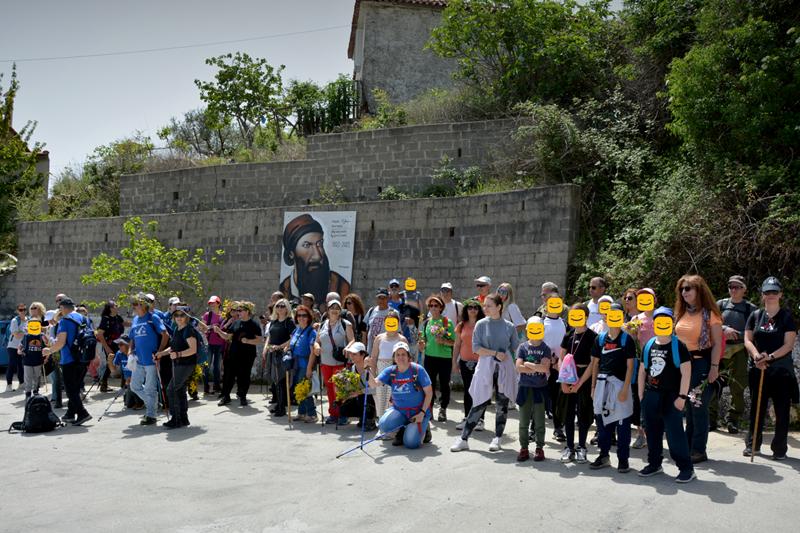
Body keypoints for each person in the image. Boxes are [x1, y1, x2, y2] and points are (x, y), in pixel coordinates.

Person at [451, 294, 519, 453]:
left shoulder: (509, 326)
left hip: (504, 367)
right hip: (485, 366)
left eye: (488, 305)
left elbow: (516, 348)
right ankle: (463, 439)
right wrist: (495, 353)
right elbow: (477, 348)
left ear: (499, 307)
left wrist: (531, 359)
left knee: (502, 404)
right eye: (485, 305)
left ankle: (498, 438)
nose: (485, 308)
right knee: (479, 402)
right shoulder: (481, 325)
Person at [637, 307, 696, 483]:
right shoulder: (649, 345)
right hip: (651, 395)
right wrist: (642, 395)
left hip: (672, 397)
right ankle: (655, 464)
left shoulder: (679, 346)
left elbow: (686, 373)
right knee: (652, 432)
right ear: (654, 323)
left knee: (675, 434)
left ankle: (686, 468)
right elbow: (642, 371)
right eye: (659, 321)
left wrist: (682, 397)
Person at [743, 277, 798, 460]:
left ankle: (779, 449)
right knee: (756, 408)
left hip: (780, 371)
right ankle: (753, 445)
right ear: (763, 295)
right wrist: (757, 356)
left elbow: (788, 345)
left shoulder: (787, 318)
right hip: (757, 369)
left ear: (781, 294)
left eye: (775, 292)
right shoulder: (755, 315)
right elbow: (748, 340)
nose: (771, 295)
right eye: (767, 292)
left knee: (782, 411)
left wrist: (770, 357)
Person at [674, 275, 723, 464]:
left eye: (688, 288)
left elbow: (717, 344)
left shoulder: (711, 314)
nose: (684, 292)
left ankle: (698, 449)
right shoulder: (680, 312)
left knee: (698, 406)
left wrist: (714, 367)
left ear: (698, 290)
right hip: (682, 365)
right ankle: (688, 446)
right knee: (688, 405)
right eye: (682, 289)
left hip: (701, 362)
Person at [589, 302, 635, 473]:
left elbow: (630, 366)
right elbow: (595, 364)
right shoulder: (599, 338)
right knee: (602, 421)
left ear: (622, 317)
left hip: (620, 385)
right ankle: (604, 455)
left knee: (622, 422)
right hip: (602, 384)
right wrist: (593, 387)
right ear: (605, 317)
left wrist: (625, 389)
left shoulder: (627, 339)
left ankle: (623, 458)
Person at [710, 276, 757, 434]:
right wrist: (724, 329)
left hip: (740, 350)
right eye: (731, 287)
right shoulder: (720, 304)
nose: (734, 290)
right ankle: (711, 419)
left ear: (744, 289)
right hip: (719, 349)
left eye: (738, 287)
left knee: (738, 385)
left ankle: (732, 421)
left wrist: (737, 334)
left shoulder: (751, 309)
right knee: (713, 382)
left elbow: (755, 332)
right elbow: (710, 323)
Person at [370, 342, 433, 449]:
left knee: (411, 444)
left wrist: (422, 413)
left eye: (403, 354)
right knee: (384, 425)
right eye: (397, 354)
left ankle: (425, 427)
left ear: (408, 356)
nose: (400, 357)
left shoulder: (418, 370)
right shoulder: (391, 371)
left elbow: (429, 393)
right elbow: (373, 384)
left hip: (418, 411)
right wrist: (367, 369)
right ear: (394, 357)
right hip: (399, 410)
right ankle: (403, 429)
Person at [556, 303, 597, 464]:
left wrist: (580, 383)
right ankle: (569, 447)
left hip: (584, 377)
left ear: (586, 317)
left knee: (583, 412)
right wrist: (563, 381)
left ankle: (582, 447)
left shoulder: (593, 336)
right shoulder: (568, 335)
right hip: (568, 376)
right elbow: (561, 358)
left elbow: (594, 363)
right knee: (567, 413)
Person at [279, 213, 350, 303]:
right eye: (306, 245)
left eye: (319, 244)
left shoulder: (341, 285)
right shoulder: (284, 289)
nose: (317, 256)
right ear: (291, 254)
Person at [45, 298, 93, 426]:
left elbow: (60, 342)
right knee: (76, 387)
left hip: (69, 359)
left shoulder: (64, 321)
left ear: (63, 308)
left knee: (70, 389)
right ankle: (70, 414)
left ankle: (82, 413)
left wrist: (48, 351)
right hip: (83, 358)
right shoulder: (84, 319)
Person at [128, 293, 170, 426]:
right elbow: (132, 338)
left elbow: (165, 335)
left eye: (136, 303)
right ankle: (154, 404)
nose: (133, 306)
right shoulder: (135, 319)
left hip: (151, 360)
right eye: (133, 303)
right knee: (134, 386)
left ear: (144, 304)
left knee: (150, 389)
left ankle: (151, 415)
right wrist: (130, 350)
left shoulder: (153, 318)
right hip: (139, 360)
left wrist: (159, 353)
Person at [516, 317, 553, 462]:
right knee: (523, 421)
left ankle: (539, 448)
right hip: (525, 388)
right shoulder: (522, 347)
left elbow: (545, 368)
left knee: (539, 421)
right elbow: (519, 368)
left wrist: (527, 363)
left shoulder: (545, 348)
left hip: (540, 388)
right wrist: (536, 365)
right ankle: (524, 448)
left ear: (543, 330)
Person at [155, 305, 199, 427]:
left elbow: (193, 349)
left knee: (171, 389)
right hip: (178, 364)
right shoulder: (176, 330)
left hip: (186, 364)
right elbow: (173, 347)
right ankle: (183, 418)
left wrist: (178, 354)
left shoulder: (189, 330)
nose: (179, 317)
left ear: (187, 317)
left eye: (182, 315)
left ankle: (176, 419)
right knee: (179, 390)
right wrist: (161, 353)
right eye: (177, 315)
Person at [313, 299, 355, 424]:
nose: (335, 310)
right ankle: (333, 413)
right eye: (332, 308)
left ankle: (344, 414)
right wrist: (317, 347)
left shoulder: (345, 324)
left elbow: (352, 340)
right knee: (330, 388)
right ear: (328, 310)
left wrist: (348, 347)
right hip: (325, 361)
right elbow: (317, 341)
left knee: (340, 388)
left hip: (340, 361)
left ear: (340, 310)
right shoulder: (322, 324)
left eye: (337, 308)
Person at [214, 302, 262, 407]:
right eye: (237, 310)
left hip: (247, 355)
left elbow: (259, 339)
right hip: (234, 353)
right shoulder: (235, 323)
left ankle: (243, 396)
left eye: (240, 310)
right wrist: (219, 331)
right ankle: (226, 397)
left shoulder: (254, 324)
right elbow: (227, 336)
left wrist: (248, 341)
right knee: (229, 376)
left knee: (244, 376)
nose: (237, 312)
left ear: (247, 311)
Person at [419, 295, 455, 422]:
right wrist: (421, 344)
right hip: (429, 357)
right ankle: (429, 409)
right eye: (431, 305)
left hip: (444, 358)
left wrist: (443, 341)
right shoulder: (427, 322)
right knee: (430, 385)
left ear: (441, 307)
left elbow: (453, 341)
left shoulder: (447, 322)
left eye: (436, 305)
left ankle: (443, 409)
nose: (433, 308)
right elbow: (424, 338)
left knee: (444, 384)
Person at [370, 310, 409, 424]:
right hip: (381, 369)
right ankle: (382, 425)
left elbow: (406, 357)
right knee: (381, 399)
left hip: (396, 369)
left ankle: (392, 425)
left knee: (392, 399)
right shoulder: (379, 338)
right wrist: (373, 372)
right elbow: (374, 356)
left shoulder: (402, 339)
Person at [452, 299, 486, 431]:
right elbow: (457, 345)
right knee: (468, 390)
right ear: (466, 310)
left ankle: (480, 419)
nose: (473, 310)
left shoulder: (483, 324)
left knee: (480, 391)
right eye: (470, 307)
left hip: (481, 362)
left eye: (476, 307)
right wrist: (454, 361)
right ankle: (467, 417)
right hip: (465, 362)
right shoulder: (461, 325)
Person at [262, 298, 296, 418]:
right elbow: (269, 336)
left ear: (287, 308)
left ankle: (282, 407)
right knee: (274, 379)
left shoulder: (289, 322)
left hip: (283, 353)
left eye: (282, 306)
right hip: (272, 353)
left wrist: (280, 346)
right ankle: (278, 404)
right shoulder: (274, 321)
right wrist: (265, 349)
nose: (280, 308)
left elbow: (293, 338)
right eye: (278, 306)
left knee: (282, 381)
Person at [288, 305, 318, 423]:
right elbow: (292, 343)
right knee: (298, 388)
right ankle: (302, 412)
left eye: (304, 315)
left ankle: (312, 414)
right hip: (296, 364)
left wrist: (309, 368)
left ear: (308, 317)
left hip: (305, 364)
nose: (301, 317)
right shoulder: (296, 330)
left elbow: (312, 352)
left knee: (304, 389)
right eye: (299, 315)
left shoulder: (311, 331)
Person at [543, 293, 567, 442]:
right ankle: (533, 429)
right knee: (539, 398)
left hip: (559, 366)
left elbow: (567, 344)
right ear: (546, 304)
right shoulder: (540, 322)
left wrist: (559, 360)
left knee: (557, 398)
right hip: (543, 365)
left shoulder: (565, 323)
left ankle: (558, 428)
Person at [337, 343, 377, 430]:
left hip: (372, 397)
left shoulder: (371, 368)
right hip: (359, 396)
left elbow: (376, 389)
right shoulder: (351, 369)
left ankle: (370, 419)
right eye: (351, 354)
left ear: (363, 355)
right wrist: (341, 389)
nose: (351, 356)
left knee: (361, 398)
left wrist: (359, 392)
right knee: (344, 406)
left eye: (354, 354)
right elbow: (349, 387)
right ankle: (362, 417)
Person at [96, 301, 131, 393]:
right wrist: (107, 348)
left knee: (124, 360)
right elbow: (100, 334)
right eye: (116, 306)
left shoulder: (117, 318)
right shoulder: (105, 319)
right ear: (111, 308)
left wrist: (136, 322)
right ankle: (103, 383)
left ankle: (124, 382)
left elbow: (125, 323)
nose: (118, 307)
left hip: (119, 344)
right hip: (110, 345)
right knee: (111, 362)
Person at [107, 335, 144, 410]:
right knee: (128, 404)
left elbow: (140, 369)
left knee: (132, 384)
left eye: (121, 344)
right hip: (129, 382)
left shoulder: (135, 353)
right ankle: (134, 396)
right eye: (118, 344)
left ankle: (140, 401)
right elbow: (113, 370)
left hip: (139, 379)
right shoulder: (119, 354)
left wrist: (132, 377)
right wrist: (110, 361)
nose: (119, 346)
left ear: (128, 345)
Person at [200, 296, 226, 394]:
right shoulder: (207, 315)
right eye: (210, 303)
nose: (212, 305)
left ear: (219, 303)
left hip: (220, 344)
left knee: (217, 366)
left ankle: (216, 384)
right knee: (207, 365)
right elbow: (201, 328)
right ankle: (206, 386)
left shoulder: (223, 315)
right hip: (209, 344)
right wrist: (211, 326)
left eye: (214, 303)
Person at [18, 320, 48, 399]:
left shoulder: (41, 335)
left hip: (37, 360)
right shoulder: (26, 336)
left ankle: (35, 391)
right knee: (28, 377)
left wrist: (46, 342)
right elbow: (21, 345)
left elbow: (46, 345)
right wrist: (19, 351)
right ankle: (28, 392)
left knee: (36, 376)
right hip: (27, 360)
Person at [6, 302, 28, 392]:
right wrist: (26, 332)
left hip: (24, 346)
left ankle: (22, 383)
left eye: (24, 309)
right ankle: (9, 385)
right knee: (12, 365)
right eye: (20, 310)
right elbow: (16, 335)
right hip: (13, 347)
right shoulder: (15, 321)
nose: (23, 311)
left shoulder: (29, 320)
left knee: (21, 365)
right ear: (17, 311)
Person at [365, 288, 392, 354]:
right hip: (370, 353)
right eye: (379, 298)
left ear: (388, 298)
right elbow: (366, 331)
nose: (381, 300)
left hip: (385, 353)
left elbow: (398, 333)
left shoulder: (393, 312)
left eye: (384, 298)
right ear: (376, 298)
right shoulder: (371, 310)